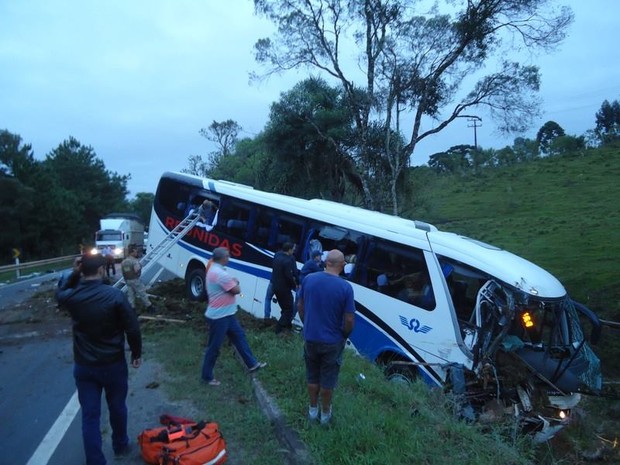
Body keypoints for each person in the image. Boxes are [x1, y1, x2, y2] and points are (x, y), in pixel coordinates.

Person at [56, 254, 142, 465]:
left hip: (85, 366)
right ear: (103, 270)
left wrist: (74, 273)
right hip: (113, 364)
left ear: (81, 270)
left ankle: (95, 460)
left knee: (90, 416)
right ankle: (120, 445)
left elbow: (59, 294)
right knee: (117, 407)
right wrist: (136, 353)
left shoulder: (71, 297)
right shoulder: (114, 296)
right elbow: (132, 327)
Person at [297, 249, 356, 426]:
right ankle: (325, 415)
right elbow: (349, 318)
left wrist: (307, 324)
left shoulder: (309, 279)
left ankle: (312, 411)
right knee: (328, 381)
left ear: (326, 262)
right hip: (332, 342)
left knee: (312, 377)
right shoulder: (345, 287)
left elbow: (300, 305)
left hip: (311, 338)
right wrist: (344, 335)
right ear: (343, 265)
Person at [201, 247, 267, 386]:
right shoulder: (220, 273)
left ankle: (252, 364)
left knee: (239, 337)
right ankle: (207, 377)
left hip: (228, 314)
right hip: (219, 317)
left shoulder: (214, 269)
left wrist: (232, 282)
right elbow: (236, 290)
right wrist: (235, 282)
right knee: (214, 347)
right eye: (227, 256)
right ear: (222, 258)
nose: (229, 258)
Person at [271, 242, 298, 335]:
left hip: (275, 285)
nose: (294, 251)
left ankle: (288, 326)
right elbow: (289, 276)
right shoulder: (288, 261)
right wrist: (294, 285)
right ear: (289, 249)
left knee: (284, 307)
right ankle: (278, 328)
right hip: (284, 288)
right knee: (289, 309)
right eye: (293, 249)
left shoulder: (277, 255)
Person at [121, 245, 153, 312]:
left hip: (128, 280)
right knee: (142, 293)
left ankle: (132, 309)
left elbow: (123, 272)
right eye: (135, 252)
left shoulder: (124, 261)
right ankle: (149, 306)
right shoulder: (134, 261)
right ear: (132, 252)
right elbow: (136, 270)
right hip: (135, 280)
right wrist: (140, 266)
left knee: (131, 295)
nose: (136, 253)